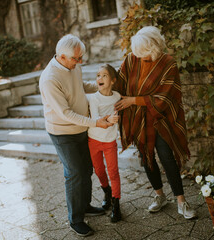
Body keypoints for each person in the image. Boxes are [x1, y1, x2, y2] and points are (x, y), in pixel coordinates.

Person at [114, 26, 197, 220]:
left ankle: (181, 201)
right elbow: (120, 83)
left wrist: (133, 100)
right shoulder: (131, 59)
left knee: (167, 157)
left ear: (155, 48)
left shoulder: (168, 63)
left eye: (144, 54)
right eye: (138, 54)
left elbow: (165, 97)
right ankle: (160, 196)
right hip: (139, 119)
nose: (140, 58)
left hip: (162, 119)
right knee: (146, 158)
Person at [39, 34, 113, 237]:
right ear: (62, 57)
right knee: (74, 173)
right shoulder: (50, 79)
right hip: (63, 133)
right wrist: (96, 122)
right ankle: (75, 219)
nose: (80, 62)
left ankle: (85, 205)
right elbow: (65, 114)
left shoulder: (73, 65)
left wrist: (103, 85)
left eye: (81, 58)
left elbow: (80, 86)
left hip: (82, 128)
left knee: (87, 168)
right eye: (76, 59)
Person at [87, 64, 122, 223]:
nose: (99, 78)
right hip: (94, 140)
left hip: (109, 141)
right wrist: (109, 119)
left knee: (113, 172)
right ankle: (106, 192)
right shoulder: (94, 98)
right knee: (100, 171)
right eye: (98, 75)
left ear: (113, 80)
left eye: (104, 75)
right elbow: (95, 118)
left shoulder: (117, 96)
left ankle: (116, 203)